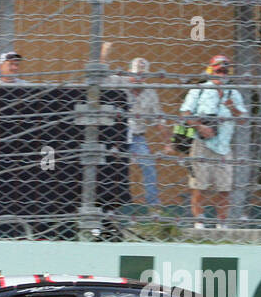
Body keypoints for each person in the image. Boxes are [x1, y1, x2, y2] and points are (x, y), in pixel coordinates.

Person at [175, 55, 246, 229]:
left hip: (223, 147)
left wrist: (232, 107)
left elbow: (244, 119)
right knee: (200, 186)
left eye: (224, 71)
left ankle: (222, 224)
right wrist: (200, 127)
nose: (221, 74)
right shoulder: (199, 90)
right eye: (218, 70)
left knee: (224, 188)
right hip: (202, 144)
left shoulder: (233, 93)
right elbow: (185, 113)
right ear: (211, 70)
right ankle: (199, 222)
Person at [101, 47, 163, 209]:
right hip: (116, 134)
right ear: (129, 72)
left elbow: (158, 120)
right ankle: (114, 203)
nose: (138, 78)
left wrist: (168, 141)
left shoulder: (150, 92)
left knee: (148, 164)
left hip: (137, 135)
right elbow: (100, 77)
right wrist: (104, 55)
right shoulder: (118, 82)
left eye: (141, 75)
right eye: (135, 74)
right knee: (114, 168)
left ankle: (153, 205)